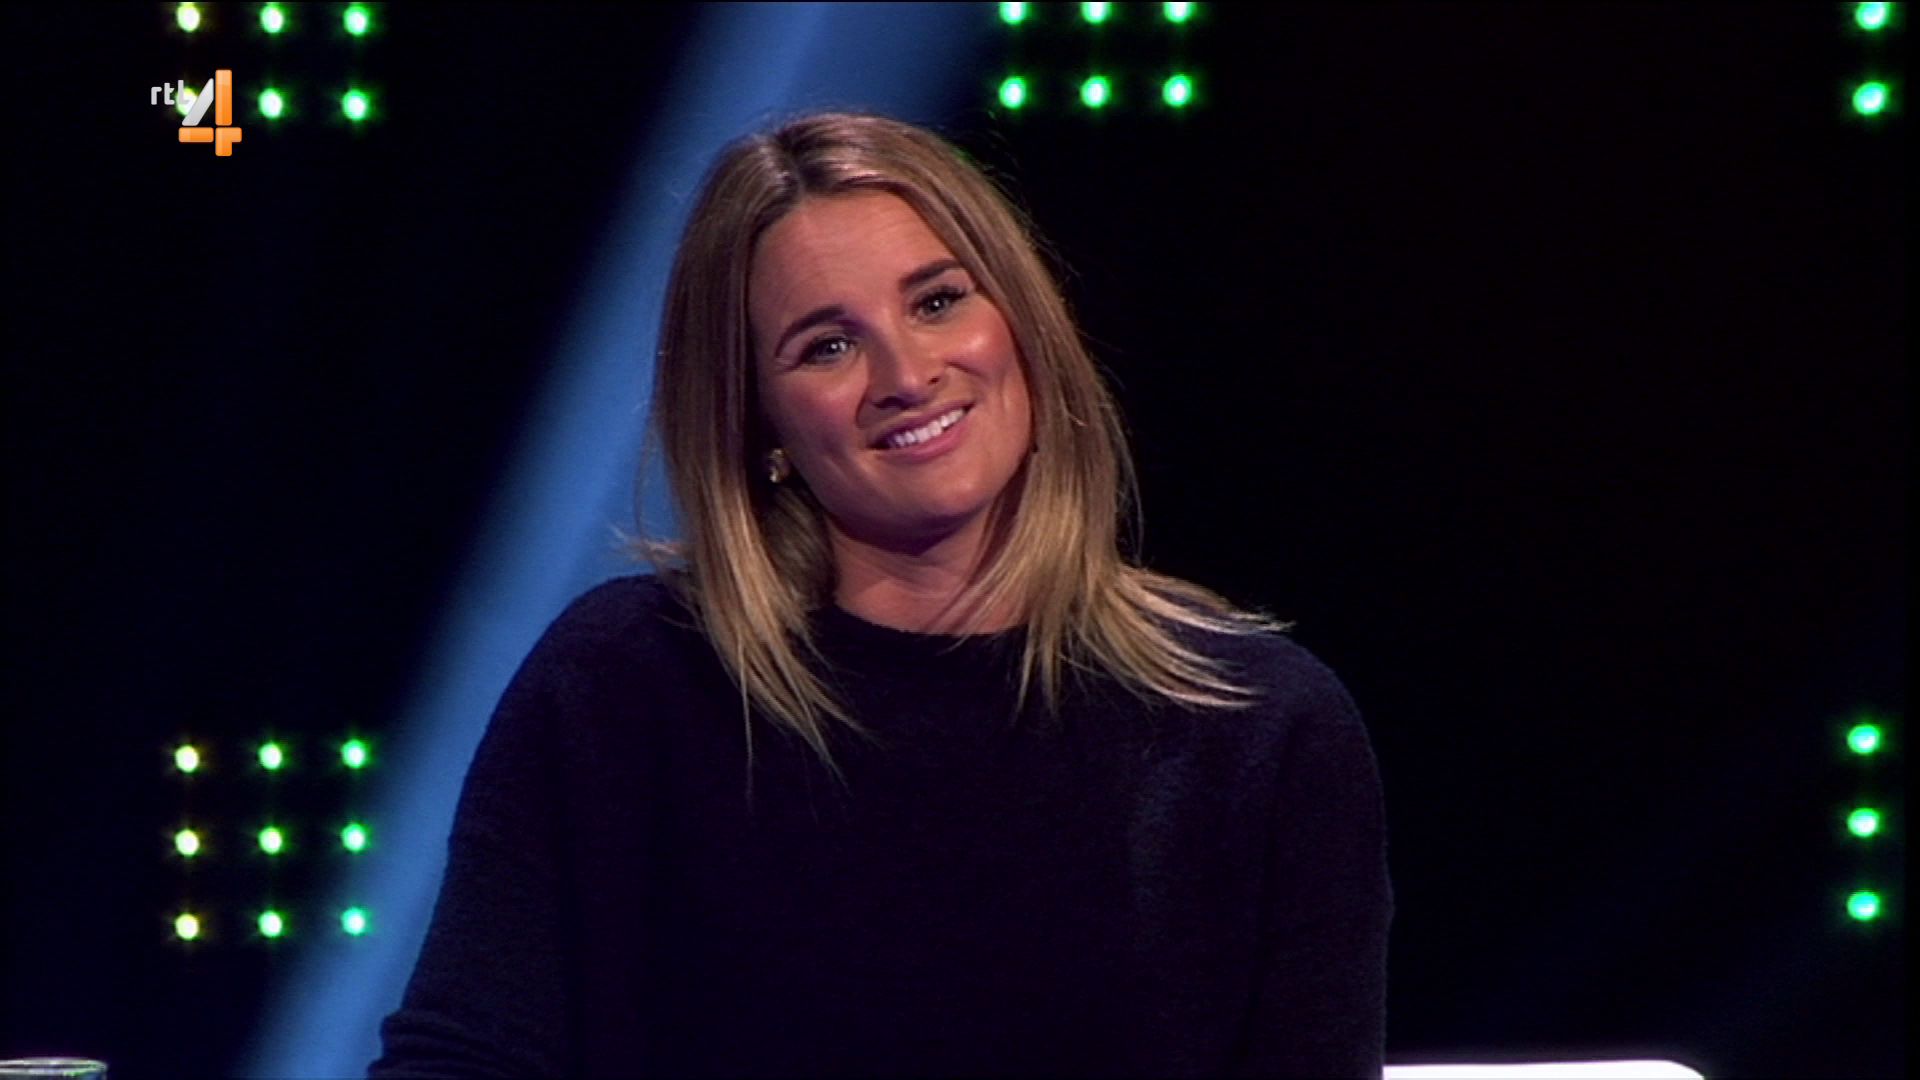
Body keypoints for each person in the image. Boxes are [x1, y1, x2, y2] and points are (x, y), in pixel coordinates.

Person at [369, 111, 1391, 1078]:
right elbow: (463, 1057)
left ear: (1023, 324)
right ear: (759, 422)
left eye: (938, 301)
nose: (906, 373)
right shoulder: (629, 685)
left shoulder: (1255, 727)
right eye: (828, 345)